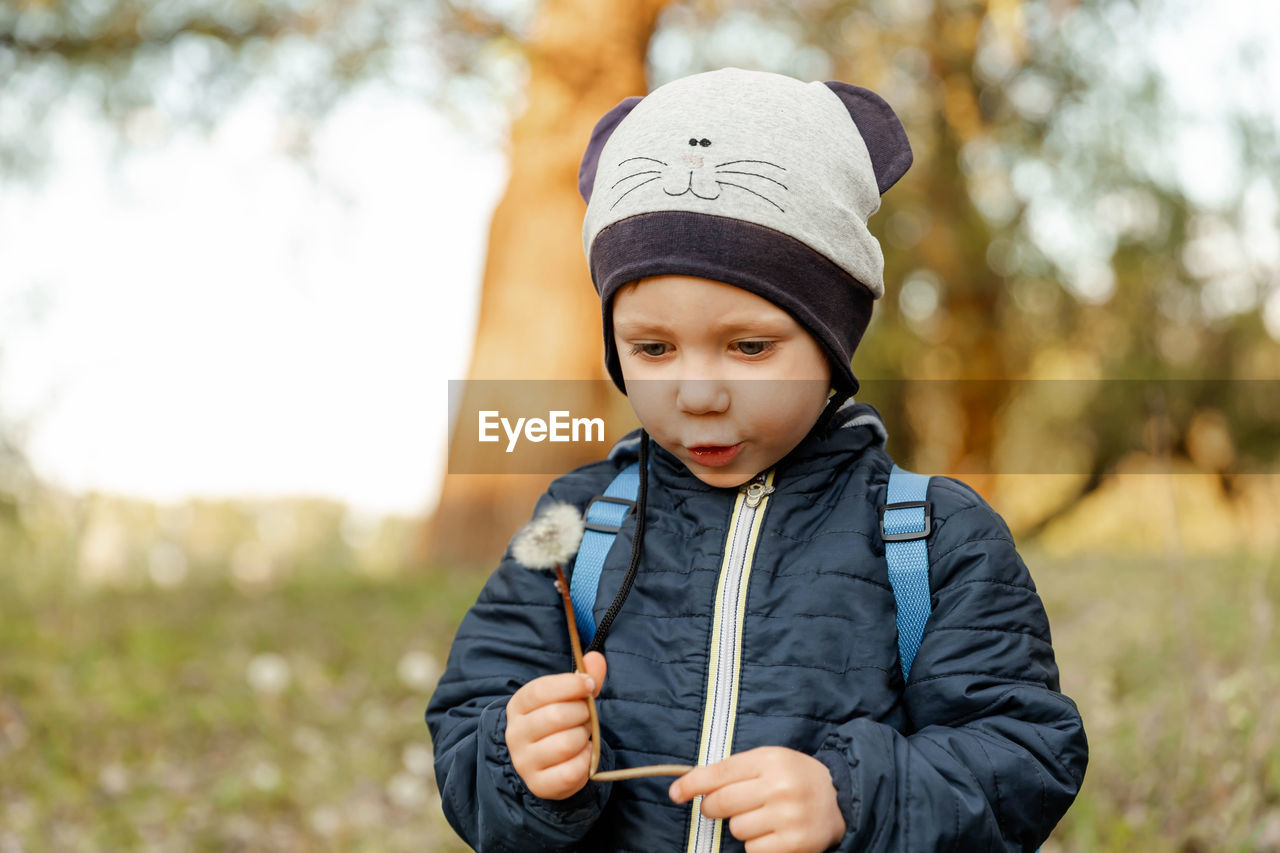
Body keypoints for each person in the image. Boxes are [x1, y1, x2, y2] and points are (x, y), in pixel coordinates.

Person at [426, 67, 1088, 853]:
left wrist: (852, 797)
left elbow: (1025, 754)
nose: (699, 393)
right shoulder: (581, 526)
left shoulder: (935, 537)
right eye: (654, 348)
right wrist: (517, 759)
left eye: (749, 346)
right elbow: (468, 725)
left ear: (833, 339)